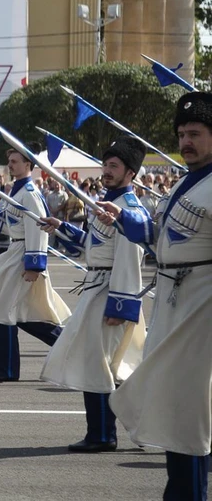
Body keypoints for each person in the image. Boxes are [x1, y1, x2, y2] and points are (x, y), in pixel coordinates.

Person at [108, 92, 212, 500]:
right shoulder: (186, 183)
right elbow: (166, 241)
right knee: (174, 409)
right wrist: (136, 227)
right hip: (174, 308)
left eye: (196, 133)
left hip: (200, 314)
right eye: (182, 134)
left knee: (186, 413)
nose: (186, 141)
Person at [38, 136, 148, 453]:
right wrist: (61, 226)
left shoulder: (130, 209)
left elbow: (129, 261)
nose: (106, 171)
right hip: (97, 289)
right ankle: (105, 431)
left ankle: (103, 434)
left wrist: (122, 308)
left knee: (100, 366)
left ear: (131, 174)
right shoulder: (106, 203)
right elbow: (93, 245)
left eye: (114, 166)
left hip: (111, 294)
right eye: (105, 165)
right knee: (96, 364)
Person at [0, 144, 71, 382]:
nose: (11, 165)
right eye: (10, 161)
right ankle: (69, 344)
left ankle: (6, 370)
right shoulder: (16, 192)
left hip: (22, 256)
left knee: (3, 312)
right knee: (19, 315)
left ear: (28, 165)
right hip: (15, 251)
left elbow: (38, 229)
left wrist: (34, 265)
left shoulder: (29, 193)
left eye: (16, 161)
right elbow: (9, 224)